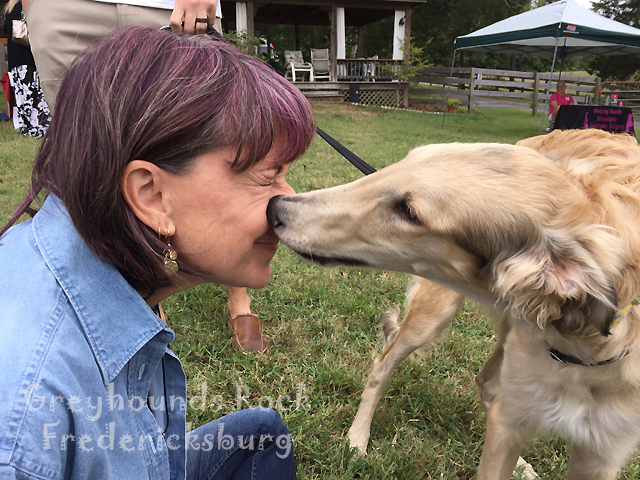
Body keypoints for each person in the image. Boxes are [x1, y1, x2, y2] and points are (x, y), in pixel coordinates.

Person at [0, 26, 315, 479]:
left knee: (262, 434)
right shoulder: (27, 426)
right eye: (268, 176)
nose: (289, 202)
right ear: (151, 196)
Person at [23, 0, 269, 353]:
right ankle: (143, 301)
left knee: (219, 147)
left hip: (167, 6)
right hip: (64, 10)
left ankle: (239, 301)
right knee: (89, 167)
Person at [1, 0, 49, 137]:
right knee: (37, 95)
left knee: (22, 96)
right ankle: (40, 127)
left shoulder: (10, 9)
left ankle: (26, 126)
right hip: (29, 58)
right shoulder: (27, 6)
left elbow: (7, 30)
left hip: (15, 62)